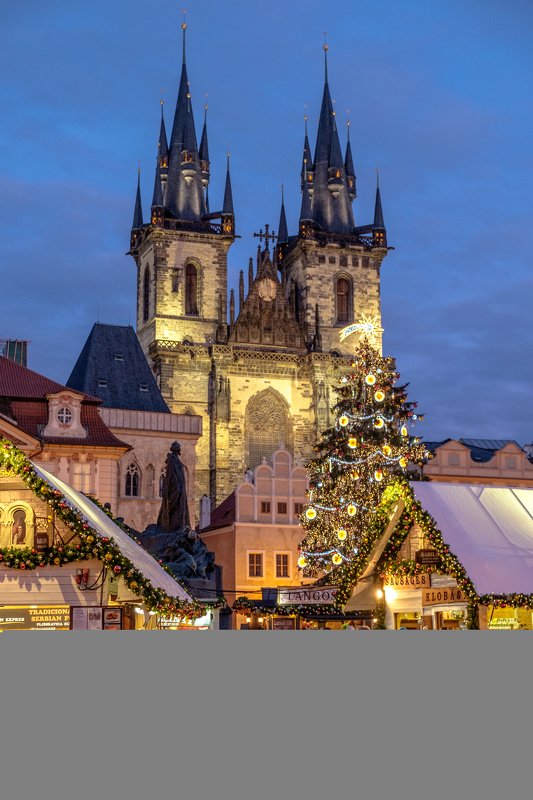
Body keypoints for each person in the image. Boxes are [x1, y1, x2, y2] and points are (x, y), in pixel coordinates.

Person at [157, 441, 191, 532]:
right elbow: (172, 476)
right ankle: (175, 529)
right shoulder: (172, 460)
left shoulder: (175, 459)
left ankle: (179, 528)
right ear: (176, 449)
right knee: (176, 513)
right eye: (179, 448)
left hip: (180, 490)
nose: (180, 450)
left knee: (180, 513)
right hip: (176, 490)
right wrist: (177, 490)